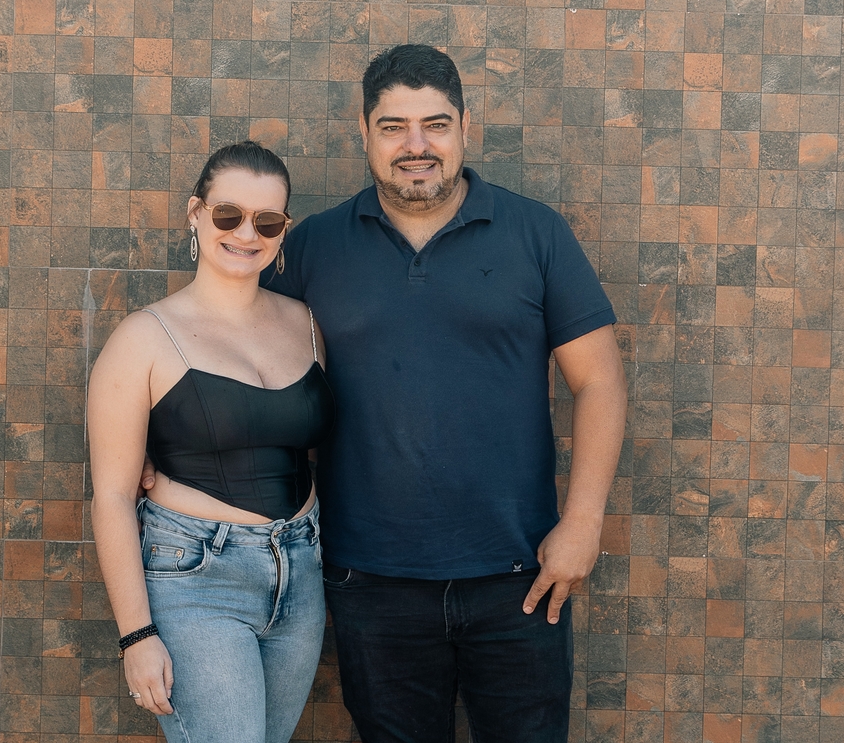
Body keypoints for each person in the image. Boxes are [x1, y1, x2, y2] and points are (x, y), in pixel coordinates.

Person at [263, 45, 627, 742]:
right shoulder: (313, 247)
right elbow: (245, 365)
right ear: (364, 132)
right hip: (369, 578)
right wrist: (170, 450)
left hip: (522, 574)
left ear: (465, 127)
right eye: (393, 126)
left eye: (435, 124)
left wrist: (583, 523)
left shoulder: (535, 233)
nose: (416, 146)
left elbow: (599, 380)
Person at [88, 141, 335, 743]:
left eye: (267, 222)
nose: (246, 233)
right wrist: (137, 635)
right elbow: (113, 497)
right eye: (229, 214)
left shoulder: (305, 324)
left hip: (301, 574)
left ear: (283, 231)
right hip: (197, 578)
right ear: (195, 213)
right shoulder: (144, 338)